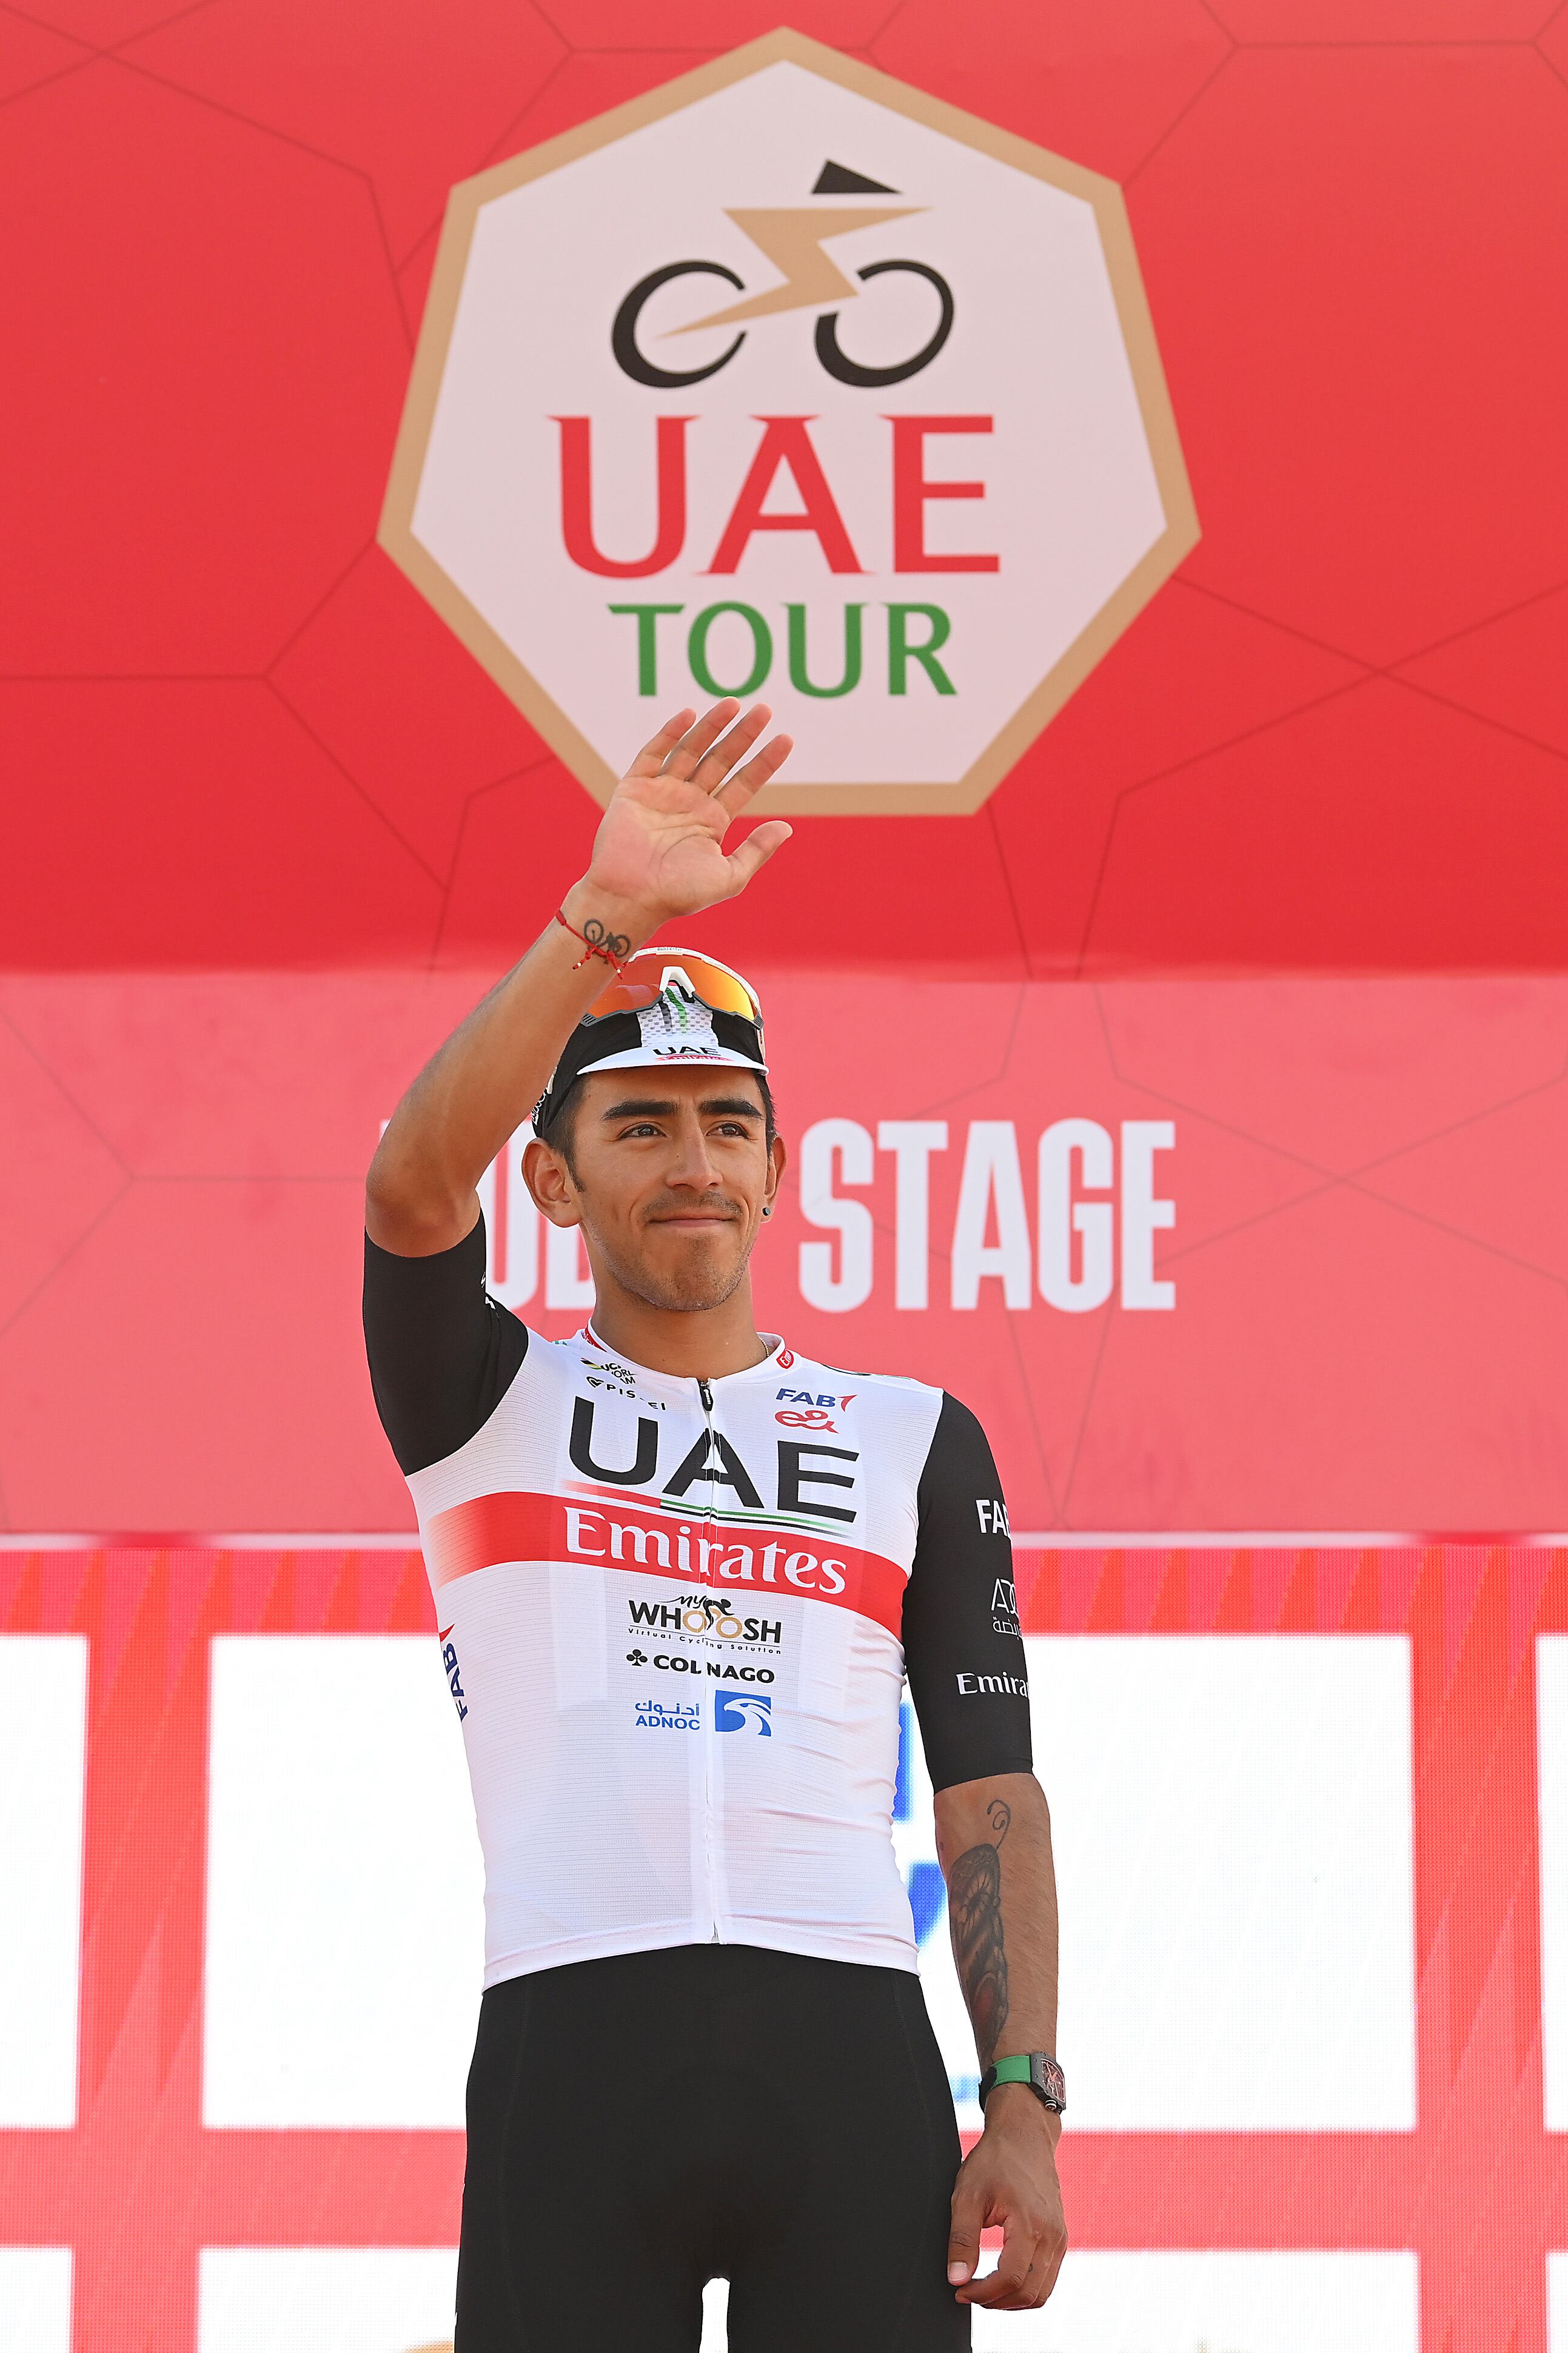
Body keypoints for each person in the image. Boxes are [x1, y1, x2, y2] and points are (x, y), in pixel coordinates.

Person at [364, 699, 1068, 2349]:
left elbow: (988, 1787)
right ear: (555, 1182)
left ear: (774, 1170)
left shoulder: (910, 1435)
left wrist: (1023, 2105)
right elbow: (411, 1187)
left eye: (725, 1123)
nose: (691, 1161)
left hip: (848, 2056)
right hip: (570, 2045)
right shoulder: (482, 1398)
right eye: (639, 1123)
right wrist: (602, 919)